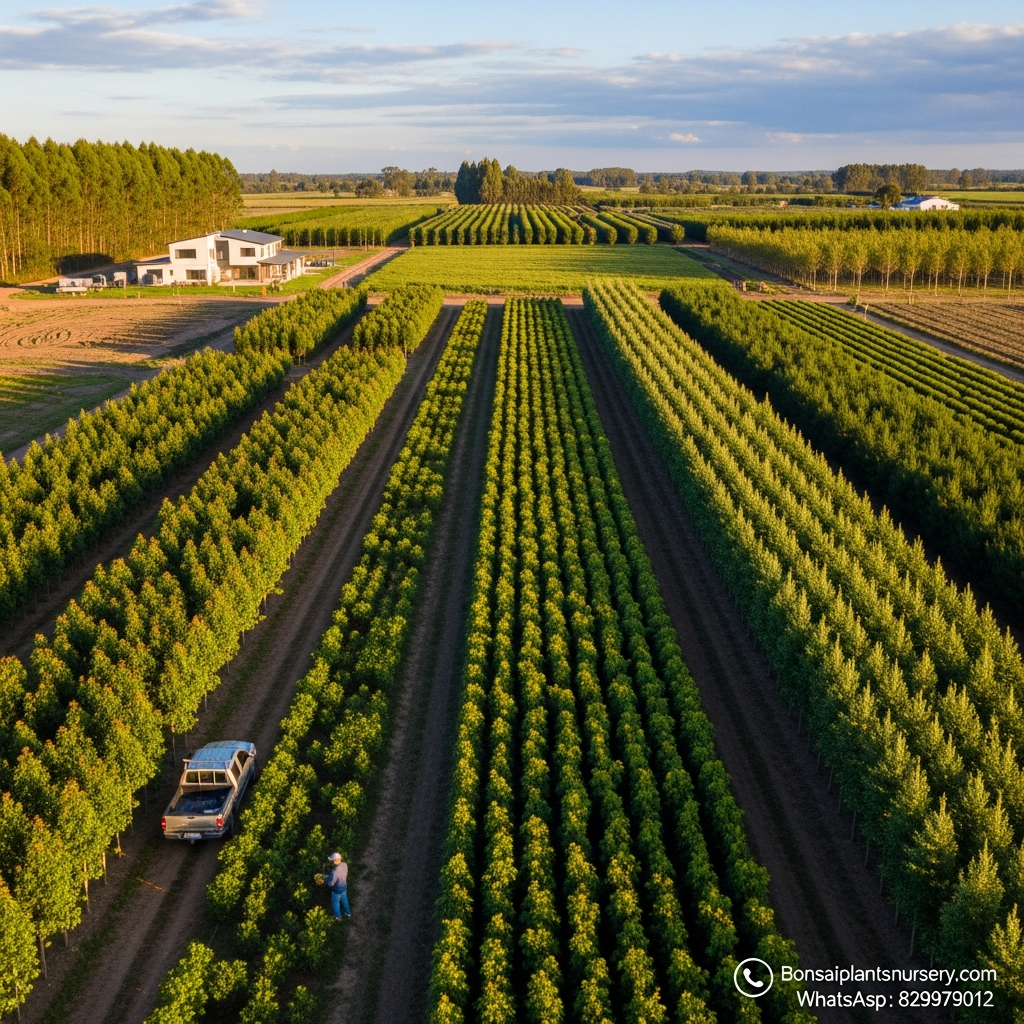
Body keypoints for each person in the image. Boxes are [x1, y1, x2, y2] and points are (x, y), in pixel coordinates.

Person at [326, 852, 350, 920]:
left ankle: (338, 917)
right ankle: (347, 913)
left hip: (336, 891)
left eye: (333, 861)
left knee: (335, 903)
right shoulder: (345, 865)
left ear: (336, 860)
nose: (332, 862)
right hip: (344, 887)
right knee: (345, 901)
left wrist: (326, 882)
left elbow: (331, 883)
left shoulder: (335, 871)